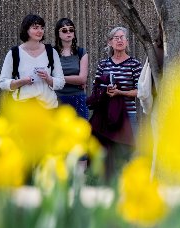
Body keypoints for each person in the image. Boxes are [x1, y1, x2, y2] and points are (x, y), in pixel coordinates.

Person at [88, 26, 142, 181]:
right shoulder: (103, 64)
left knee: (129, 152)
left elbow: (139, 91)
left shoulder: (134, 64)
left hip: (128, 114)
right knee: (108, 154)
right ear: (109, 42)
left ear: (127, 41)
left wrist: (120, 93)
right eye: (116, 37)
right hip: (107, 116)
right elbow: (95, 88)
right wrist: (106, 90)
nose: (120, 40)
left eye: (123, 37)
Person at [0, 14, 65, 109]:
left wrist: (48, 78)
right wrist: (21, 81)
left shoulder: (51, 51)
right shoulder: (14, 53)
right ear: (26, 30)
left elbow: (61, 82)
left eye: (42, 28)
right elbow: (3, 83)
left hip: (48, 109)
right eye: (35, 28)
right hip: (23, 109)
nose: (40, 31)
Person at [53, 18, 89, 120]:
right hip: (56, 99)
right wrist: (74, 79)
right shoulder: (51, 53)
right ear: (58, 34)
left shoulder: (81, 52)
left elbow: (82, 79)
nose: (68, 32)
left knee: (80, 134)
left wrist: (58, 78)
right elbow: (48, 78)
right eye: (64, 30)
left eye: (71, 30)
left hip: (78, 98)